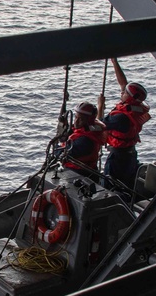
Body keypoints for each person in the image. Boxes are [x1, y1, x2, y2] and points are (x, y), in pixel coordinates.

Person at [98, 57, 149, 195]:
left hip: (118, 159)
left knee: (110, 188)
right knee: (126, 184)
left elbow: (98, 125)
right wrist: (114, 62)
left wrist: (100, 105)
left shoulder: (121, 118)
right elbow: (123, 84)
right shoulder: (137, 107)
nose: (122, 92)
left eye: (125, 93)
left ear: (130, 98)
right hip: (130, 155)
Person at [62, 101, 107, 180]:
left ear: (88, 121)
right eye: (76, 117)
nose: (76, 121)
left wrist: (59, 141)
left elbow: (63, 153)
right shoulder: (88, 132)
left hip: (79, 174)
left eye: (81, 119)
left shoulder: (85, 140)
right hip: (86, 172)